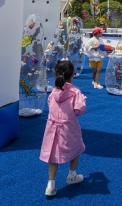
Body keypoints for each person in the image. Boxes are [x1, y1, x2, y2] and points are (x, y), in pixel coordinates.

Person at [40, 60, 86, 197]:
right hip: (69, 127)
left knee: (53, 156)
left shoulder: (53, 92)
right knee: (77, 147)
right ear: (72, 74)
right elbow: (79, 110)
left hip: (52, 128)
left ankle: (50, 185)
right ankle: (72, 175)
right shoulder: (75, 92)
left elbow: (50, 106)